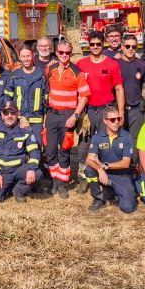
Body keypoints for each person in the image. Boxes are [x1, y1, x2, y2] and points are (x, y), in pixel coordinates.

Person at [76, 31, 125, 191]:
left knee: (106, 144)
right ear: (88, 45)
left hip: (107, 110)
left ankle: (107, 174)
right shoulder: (81, 64)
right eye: (92, 44)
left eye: (98, 44)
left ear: (103, 44)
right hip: (89, 111)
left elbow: (119, 89)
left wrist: (121, 113)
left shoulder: (112, 64)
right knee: (85, 144)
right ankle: (84, 177)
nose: (95, 47)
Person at [42, 39, 89, 198]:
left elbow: (84, 97)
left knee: (64, 151)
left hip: (68, 117)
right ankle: (55, 180)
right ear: (56, 53)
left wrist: (75, 116)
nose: (64, 55)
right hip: (52, 115)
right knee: (49, 151)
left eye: (67, 53)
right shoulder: (50, 69)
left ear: (71, 53)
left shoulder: (77, 72)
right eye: (61, 52)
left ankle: (62, 184)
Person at [0, 101, 41, 204]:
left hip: (19, 169)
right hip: (2, 172)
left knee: (37, 174)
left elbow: (34, 151)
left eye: (13, 113)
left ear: (18, 114)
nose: (9, 116)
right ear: (2, 115)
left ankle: (18, 191)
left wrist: (31, 168)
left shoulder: (26, 129)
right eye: (6, 113)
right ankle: (8, 187)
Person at [84, 105, 137, 213]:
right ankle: (99, 198)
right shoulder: (97, 137)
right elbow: (89, 159)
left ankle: (113, 191)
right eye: (113, 119)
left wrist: (105, 165)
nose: (117, 122)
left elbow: (126, 163)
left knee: (128, 208)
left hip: (122, 175)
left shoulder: (126, 136)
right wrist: (100, 169)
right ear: (105, 121)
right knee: (89, 170)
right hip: (105, 173)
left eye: (119, 118)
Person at [6, 46, 48, 132]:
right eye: (23, 56)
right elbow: (7, 98)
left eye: (28, 56)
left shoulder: (42, 75)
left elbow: (46, 101)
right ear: (20, 57)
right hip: (18, 122)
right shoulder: (14, 76)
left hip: (37, 123)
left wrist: (45, 121)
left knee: (36, 145)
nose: (26, 59)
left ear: (33, 56)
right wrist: (14, 116)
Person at [116, 34, 145, 135]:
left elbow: (143, 85)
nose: (130, 49)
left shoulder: (142, 65)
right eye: (127, 46)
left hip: (136, 109)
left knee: (134, 141)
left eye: (133, 47)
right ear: (122, 47)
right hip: (117, 109)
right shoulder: (115, 64)